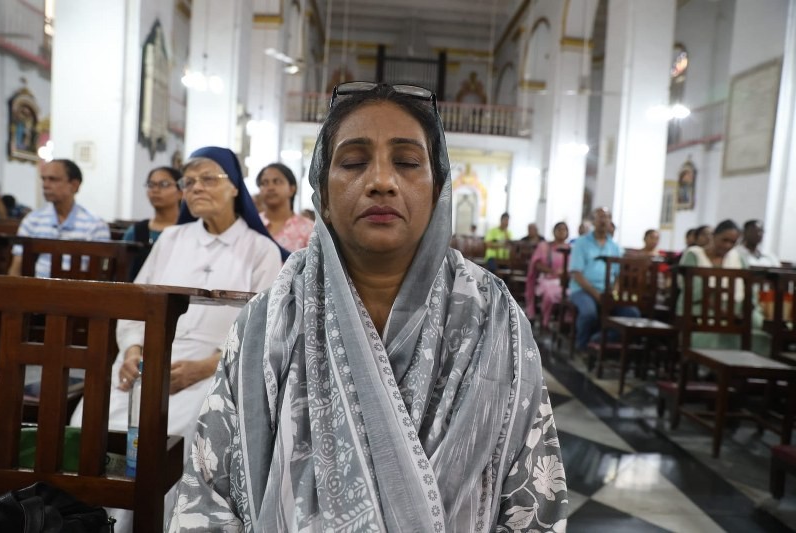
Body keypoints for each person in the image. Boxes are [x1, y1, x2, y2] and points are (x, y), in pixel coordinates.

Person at [168, 83, 567, 531]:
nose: (380, 181)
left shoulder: (494, 318)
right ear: (323, 195)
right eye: (354, 163)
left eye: (408, 163)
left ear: (438, 191)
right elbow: (209, 491)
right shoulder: (272, 317)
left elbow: (532, 501)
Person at [70, 146, 284, 533]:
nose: (196, 187)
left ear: (235, 187)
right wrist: (133, 348)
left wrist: (206, 367)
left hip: (217, 367)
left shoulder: (261, 250)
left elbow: (265, 327)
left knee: (181, 431)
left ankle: (154, 525)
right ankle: (87, 521)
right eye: (189, 181)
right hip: (150, 355)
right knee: (87, 417)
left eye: (208, 178)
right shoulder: (170, 239)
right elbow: (137, 301)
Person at [678, 219, 769, 355]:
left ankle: (747, 369)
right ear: (714, 236)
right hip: (702, 308)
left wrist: (745, 309)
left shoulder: (739, 258)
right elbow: (692, 289)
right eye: (724, 240)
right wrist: (723, 311)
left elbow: (749, 288)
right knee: (715, 325)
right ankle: (710, 369)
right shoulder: (694, 255)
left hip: (736, 309)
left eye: (733, 242)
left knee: (759, 327)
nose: (728, 245)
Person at [8, 159, 110, 278]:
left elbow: (101, 274)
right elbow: (16, 268)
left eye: (53, 179)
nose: (45, 185)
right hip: (37, 290)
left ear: (74, 185)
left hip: (80, 292)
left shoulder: (95, 225)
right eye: (43, 179)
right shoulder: (32, 220)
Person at [569, 207, 640, 351]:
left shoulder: (614, 247)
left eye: (607, 217)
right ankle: (581, 346)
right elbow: (577, 273)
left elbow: (618, 275)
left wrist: (614, 292)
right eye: (600, 217)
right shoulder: (581, 243)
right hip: (583, 289)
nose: (603, 220)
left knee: (632, 314)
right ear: (593, 221)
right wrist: (596, 294)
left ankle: (598, 339)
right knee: (589, 313)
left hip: (607, 291)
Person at [122, 166, 183, 280]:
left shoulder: (188, 230)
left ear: (181, 192)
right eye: (151, 185)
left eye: (164, 184)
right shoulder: (136, 231)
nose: (155, 190)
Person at [257, 162, 314, 251]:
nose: (270, 187)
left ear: (292, 189)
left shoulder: (309, 229)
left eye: (277, 182)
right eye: (264, 183)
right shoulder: (252, 224)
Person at [525, 221, 570, 328]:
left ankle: (565, 323)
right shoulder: (544, 246)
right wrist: (553, 272)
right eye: (559, 229)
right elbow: (537, 264)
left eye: (564, 230)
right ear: (554, 232)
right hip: (547, 279)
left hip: (565, 281)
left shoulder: (570, 249)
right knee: (549, 295)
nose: (561, 232)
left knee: (571, 295)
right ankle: (545, 321)